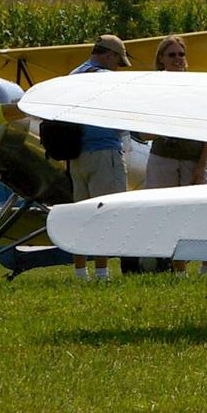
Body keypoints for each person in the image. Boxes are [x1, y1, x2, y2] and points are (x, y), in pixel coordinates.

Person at [138, 37, 207, 273]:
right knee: (166, 214)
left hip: (193, 159)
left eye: (181, 54)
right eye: (172, 55)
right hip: (164, 158)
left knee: (203, 214)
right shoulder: (153, 87)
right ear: (161, 59)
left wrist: (202, 164)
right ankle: (178, 269)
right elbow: (144, 132)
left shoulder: (196, 86)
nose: (178, 59)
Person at [68, 34, 133, 281]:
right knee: (106, 213)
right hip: (105, 152)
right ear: (110, 55)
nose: (117, 67)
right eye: (118, 61)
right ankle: (103, 273)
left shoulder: (73, 75)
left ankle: (80, 272)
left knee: (82, 216)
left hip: (76, 156)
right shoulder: (107, 79)